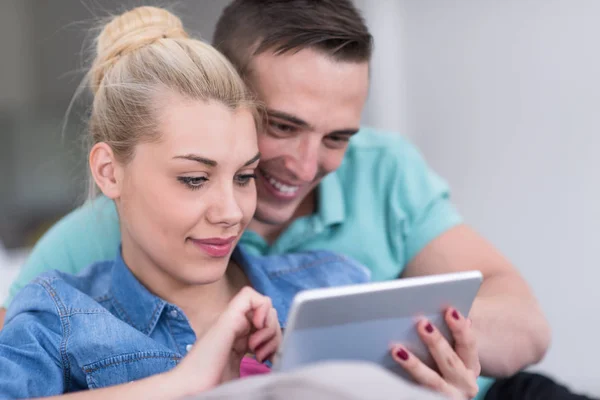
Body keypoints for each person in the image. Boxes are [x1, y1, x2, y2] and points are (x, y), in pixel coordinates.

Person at [7, 1, 594, 399]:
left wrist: (411, 359)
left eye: (244, 175)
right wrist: (184, 382)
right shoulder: (66, 284)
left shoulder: (348, 245)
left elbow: (526, 326)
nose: (307, 167)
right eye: (283, 127)